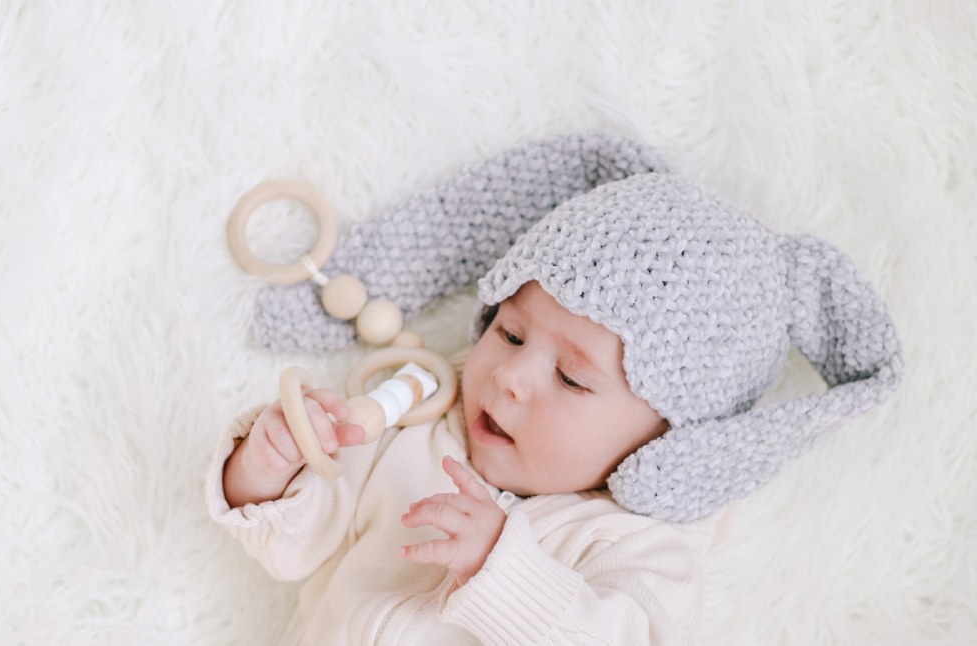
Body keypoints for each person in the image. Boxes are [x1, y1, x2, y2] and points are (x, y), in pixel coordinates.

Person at [206, 133, 903, 644]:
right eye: (507, 333)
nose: (509, 377)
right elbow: (292, 543)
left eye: (571, 377)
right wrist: (266, 468)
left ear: (668, 441)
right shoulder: (416, 433)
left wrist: (500, 572)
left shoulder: (637, 550)